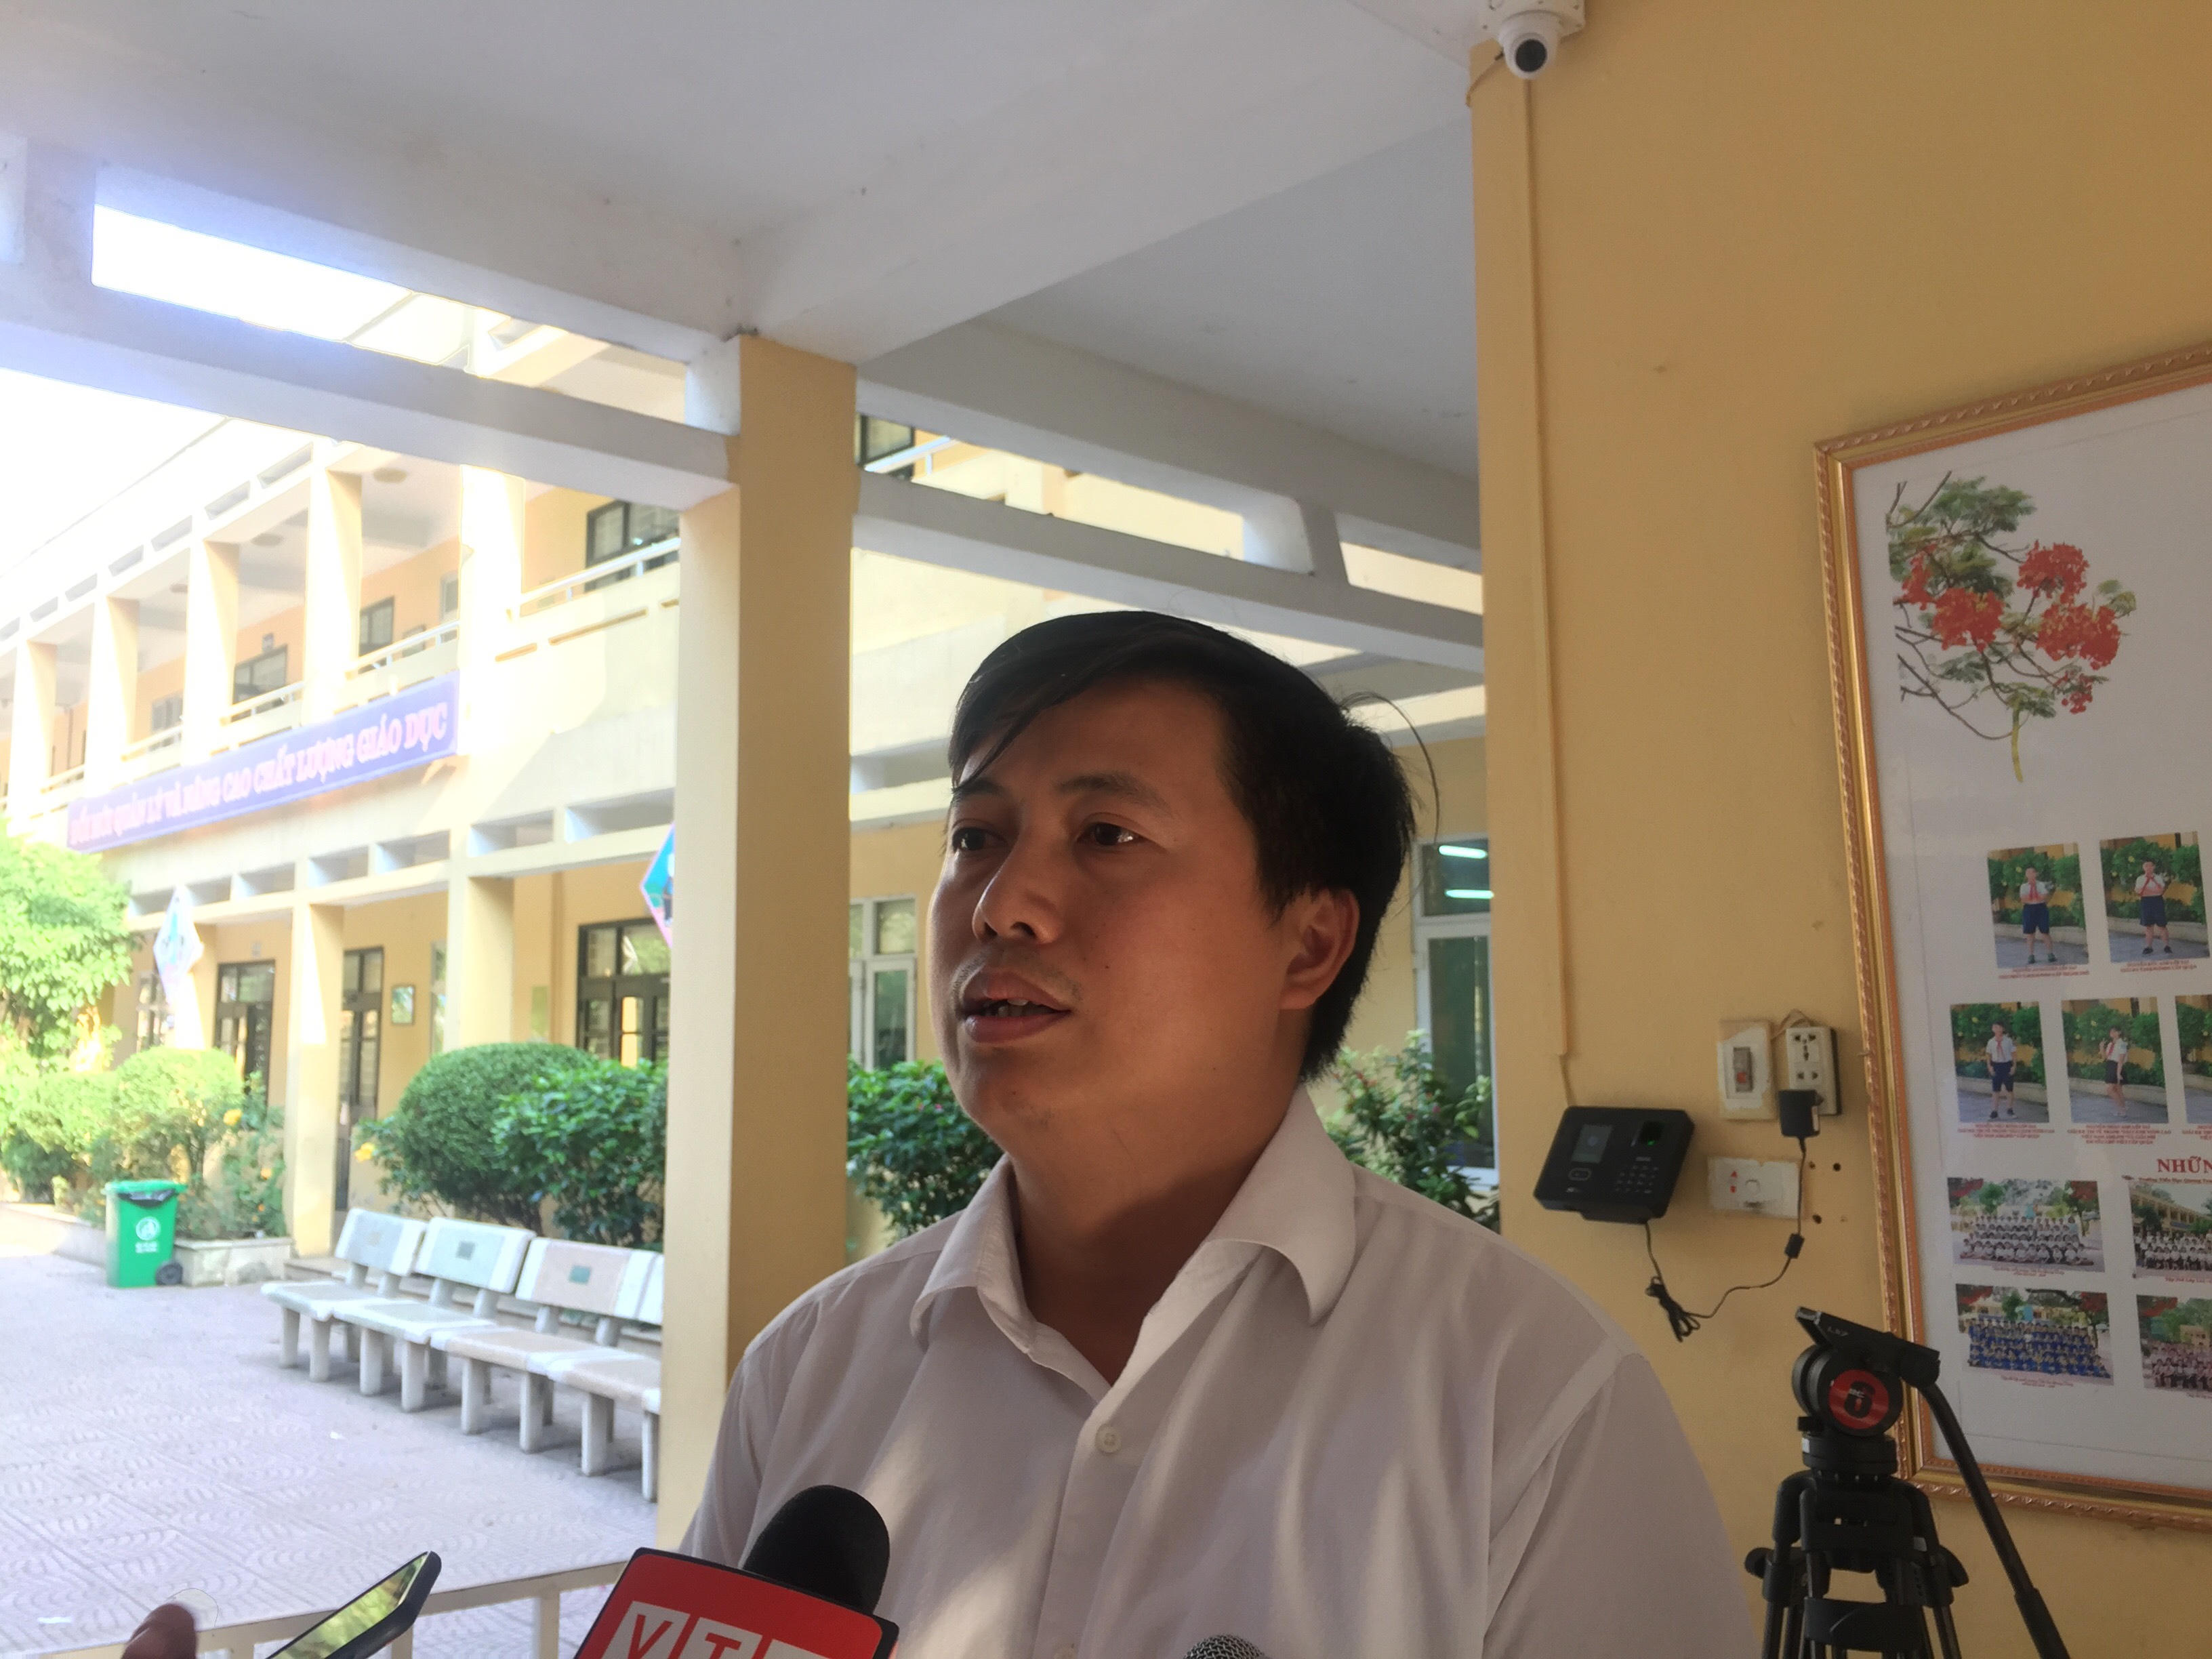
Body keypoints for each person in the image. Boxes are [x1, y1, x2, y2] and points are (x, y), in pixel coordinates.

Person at [128, 612, 1748, 1657]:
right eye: (977, 833)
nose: (1004, 900)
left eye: (1105, 834)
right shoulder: (813, 1369)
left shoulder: (1528, 1405)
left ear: (1307, 942)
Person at [2135, 857, 2173, 955]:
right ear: (2143, 867)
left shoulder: (2159, 878)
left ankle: (2167, 946)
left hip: (2157, 901)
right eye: (2146, 866)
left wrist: (2152, 886)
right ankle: (2149, 947)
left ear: (2154, 867)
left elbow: (2160, 891)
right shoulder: (2140, 879)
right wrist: (2149, 886)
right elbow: (2139, 892)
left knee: (2162, 925)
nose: (2148, 868)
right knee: (2148, 926)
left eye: (2150, 866)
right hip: (2146, 902)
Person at [2018, 865, 2054, 963]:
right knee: (2030, 934)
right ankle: (2031, 956)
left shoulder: (2041, 884)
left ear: (2036, 874)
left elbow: (2044, 897)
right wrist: (2037, 897)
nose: (2030, 874)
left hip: (2041, 909)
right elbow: (2024, 899)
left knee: (2045, 932)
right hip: (2029, 910)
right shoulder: (2023, 887)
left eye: (2032, 872)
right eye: (2028, 873)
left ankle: (2050, 954)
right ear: (2026, 875)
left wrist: (2033, 898)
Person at [1986, 1019, 2018, 1119]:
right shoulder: (1991, 1042)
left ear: (2003, 1029)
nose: (1996, 1029)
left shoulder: (2008, 1041)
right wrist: (1990, 1066)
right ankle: (1995, 1112)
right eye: (1994, 1027)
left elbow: (2014, 1054)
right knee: (1995, 1090)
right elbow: (1988, 1055)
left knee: (2009, 1089)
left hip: (2007, 1065)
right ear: (1993, 1029)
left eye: (1998, 1027)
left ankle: (2010, 1110)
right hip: (1996, 1066)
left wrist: (2014, 1066)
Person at [2102, 1023, 2131, 1115]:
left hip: (2118, 1066)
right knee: (2118, 1090)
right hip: (2110, 1066)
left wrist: (2118, 1073)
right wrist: (2101, 1048)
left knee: (2110, 1089)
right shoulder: (2110, 1044)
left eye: (2114, 1031)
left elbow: (2121, 1060)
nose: (2112, 1033)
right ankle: (2123, 1108)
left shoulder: (2122, 1044)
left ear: (2119, 1032)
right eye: (2111, 1031)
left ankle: (2122, 1109)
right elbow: (2106, 1058)